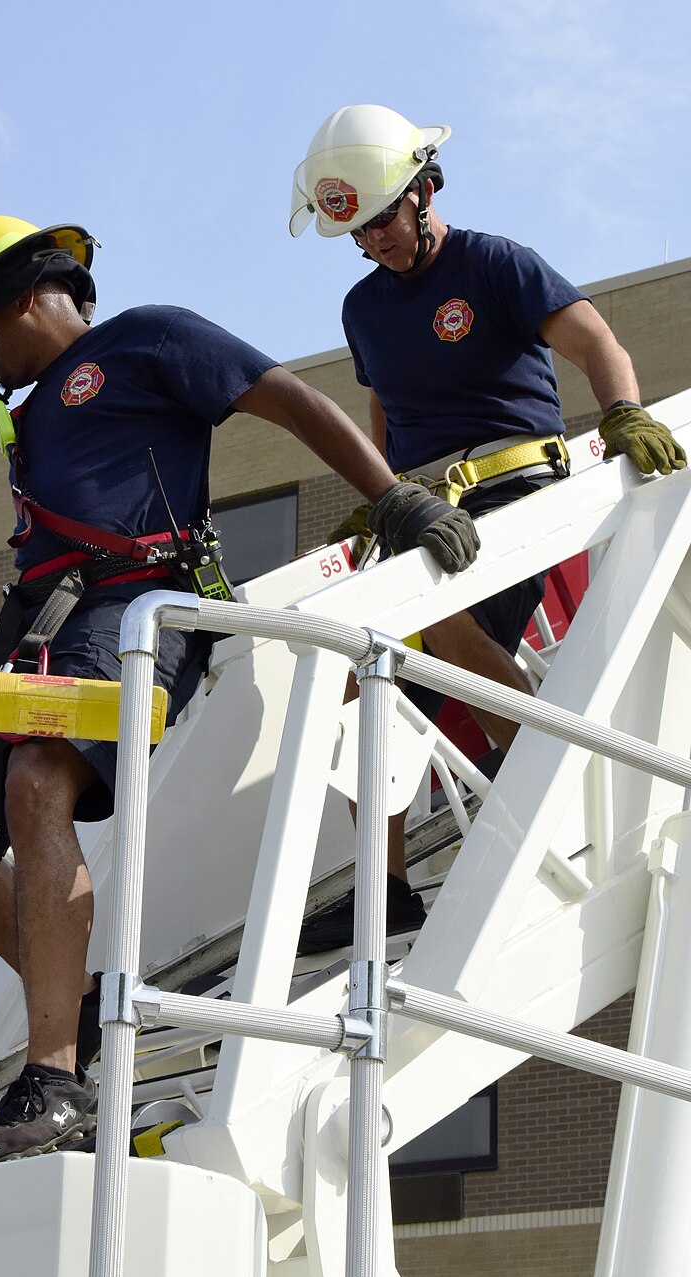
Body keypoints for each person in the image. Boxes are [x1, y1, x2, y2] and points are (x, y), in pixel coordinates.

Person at [0, 214, 480, 1167]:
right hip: (34, 621)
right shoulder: (30, 415)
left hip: (136, 607)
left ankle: (58, 1078)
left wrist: (395, 496)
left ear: (24, 296)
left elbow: (292, 401)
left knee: (38, 779)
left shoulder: (150, 338)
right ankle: (63, 993)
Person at [289, 104, 686, 945]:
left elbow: (595, 340)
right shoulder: (364, 308)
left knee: (431, 617)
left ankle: (542, 780)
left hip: (516, 493)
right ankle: (386, 890)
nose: (375, 243)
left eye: (384, 219)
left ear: (425, 189)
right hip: (425, 508)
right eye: (356, 233)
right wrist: (382, 488)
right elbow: (384, 404)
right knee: (369, 684)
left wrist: (621, 411)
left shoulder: (495, 262)